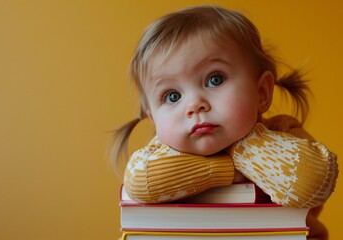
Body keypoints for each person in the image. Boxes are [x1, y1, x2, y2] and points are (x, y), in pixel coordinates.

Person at [110, 5, 338, 239]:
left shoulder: (283, 131)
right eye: (172, 96)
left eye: (214, 79)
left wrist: (241, 145)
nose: (195, 105)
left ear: (261, 93)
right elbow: (138, 182)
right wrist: (226, 169)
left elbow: (309, 182)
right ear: (154, 119)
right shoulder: (160, 152)